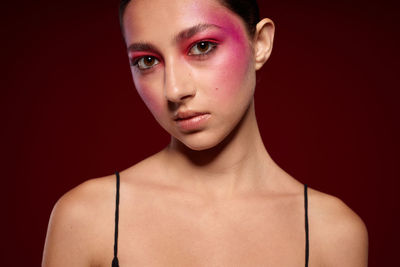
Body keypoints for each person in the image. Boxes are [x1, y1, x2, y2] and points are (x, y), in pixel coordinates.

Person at [42, 0, 369, 266]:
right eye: (147, 61)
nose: (174, 90)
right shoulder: (87, 218)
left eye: (201, 46)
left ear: (260, 44)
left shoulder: (333, 233)